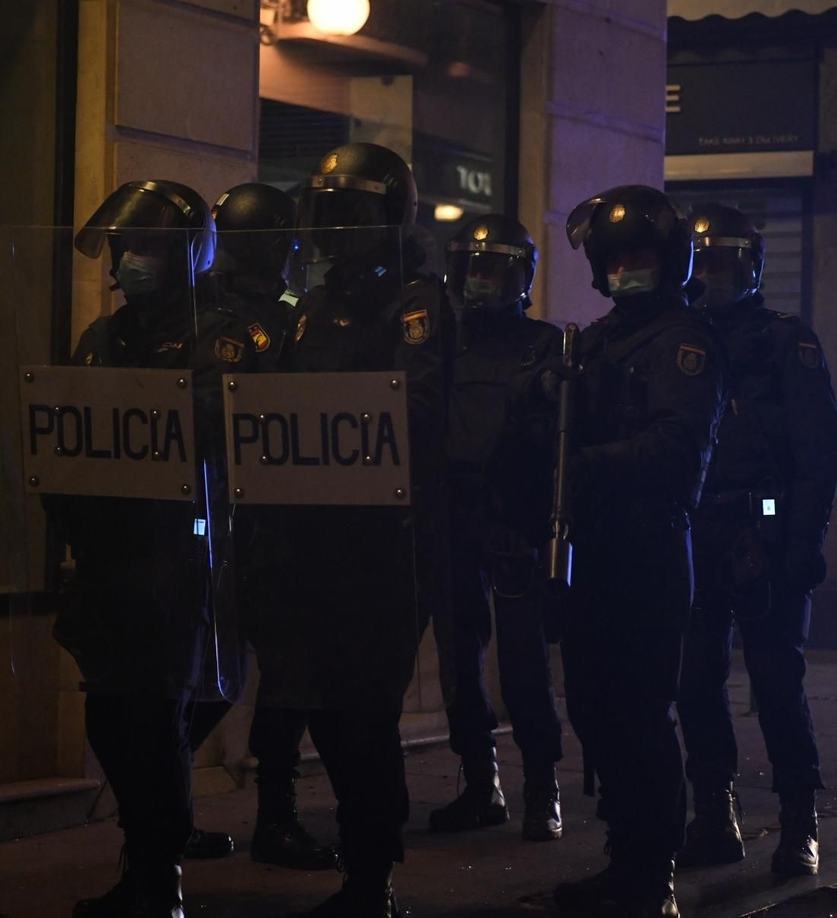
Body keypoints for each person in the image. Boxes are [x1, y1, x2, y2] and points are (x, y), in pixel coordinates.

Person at [242, 143, 452, 918]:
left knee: (365, 719)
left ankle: (371, 879)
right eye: (327, 212)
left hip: (378, 551)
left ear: (391, 216)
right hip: (306, 550)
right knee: (321, 712)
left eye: (353, 212)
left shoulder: (415, 302)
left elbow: (418, 412)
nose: (336, 228)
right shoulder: (311, 311)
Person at [545, 186, 726, 918]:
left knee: (643, 718)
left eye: (640, 257)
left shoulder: (686, 342)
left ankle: (653, 878)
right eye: (614, 259)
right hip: (592, 552)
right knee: (594, 710)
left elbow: (678, 450)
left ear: (672, 261)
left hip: (649, 550)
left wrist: (590, 463)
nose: (625, 270)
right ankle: (625, 856)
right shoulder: (594, 342)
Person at [49, 180, 218, 918]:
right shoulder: (103, 336)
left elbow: (215, 438)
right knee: (109, 717)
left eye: (149, 246)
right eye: (127, 247)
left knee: (156, 719)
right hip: (109, 559)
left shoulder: (216, 335)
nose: (133, 260)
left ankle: (160, 875)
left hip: (174, 562)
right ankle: (140, 863)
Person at [674, 203, 837, 880]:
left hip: (764, 534)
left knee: (776, 681)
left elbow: (821, 446)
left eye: (725, 261)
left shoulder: (783, 342)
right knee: (694, 683)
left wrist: (803, 543)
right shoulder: (679, 343)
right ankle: (714, 817)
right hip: (693, 532)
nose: (714, 275)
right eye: (704, 261)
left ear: (750, 266)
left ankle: (799, 820)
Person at [184, 182, 338, 871]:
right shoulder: (212, 316)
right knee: (226, 677)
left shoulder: (282, 314)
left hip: (268, 520)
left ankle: (269, 815)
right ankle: (171, 812)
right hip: (226, 522)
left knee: (277, 675)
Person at [429, 214, 566, 841]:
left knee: (522, 665)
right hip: (454, 518)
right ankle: (481, 783)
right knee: (459, 661)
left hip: (514, 520)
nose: (480, 280)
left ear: (519, 276)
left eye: (493, 268)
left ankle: (542, 787)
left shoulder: (545, 343)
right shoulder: (440, 339)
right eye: (472, 267)